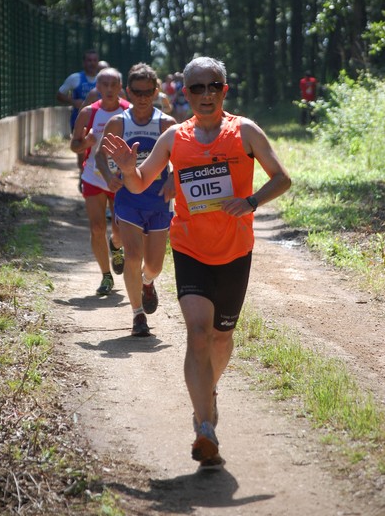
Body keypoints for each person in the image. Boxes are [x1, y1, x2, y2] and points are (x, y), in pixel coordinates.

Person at [101, 56, 291, 468]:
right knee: (198, 334)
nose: (206, 94)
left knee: (222, 339)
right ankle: (205, 427)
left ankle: (208, 393)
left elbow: (282, 177)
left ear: (225, 90)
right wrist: (129, 170)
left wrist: (252, 201)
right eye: (197, 88)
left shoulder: (245, 132)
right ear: (184, 94)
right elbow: (139, 183)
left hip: (236, 251)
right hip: (189, 247)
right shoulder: (174, 138)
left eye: (214, 86)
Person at [95, 63, 177, 336]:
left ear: (156, 92)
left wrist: (172, 178)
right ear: (128, 92)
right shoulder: (119, 122)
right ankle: (137, 315)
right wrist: (108, 176)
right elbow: (99, 155)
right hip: (128, 198)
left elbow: (181, 160)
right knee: (133, 255)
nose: (142, 98)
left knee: (154, 264)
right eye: (137, 92)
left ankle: (147, 282)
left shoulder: (167, 124)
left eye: (148, 92)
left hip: (158, 199)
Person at [70, 67, 128, 296]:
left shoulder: (129, 112)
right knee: (96, 227)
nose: (110, 89)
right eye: (104, 84)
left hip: (120, 178)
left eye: (114, 84)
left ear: (121, 87)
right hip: (93, 175)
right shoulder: (87, 113)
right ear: (98, 88)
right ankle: (106, 275)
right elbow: (74, 145)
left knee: (120, 227)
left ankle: (117, 245)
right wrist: (86, 142)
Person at [57, 49, 99, 186]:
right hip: (79, 121)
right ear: (84, 62)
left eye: (94, 60)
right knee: (81, 149)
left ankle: (95, 177)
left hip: (99, 121)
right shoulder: (75, 78)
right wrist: (73, 101)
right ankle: (83, 173)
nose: (91, 63)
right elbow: (60, 94)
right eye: (89, 60)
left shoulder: (103, 80)